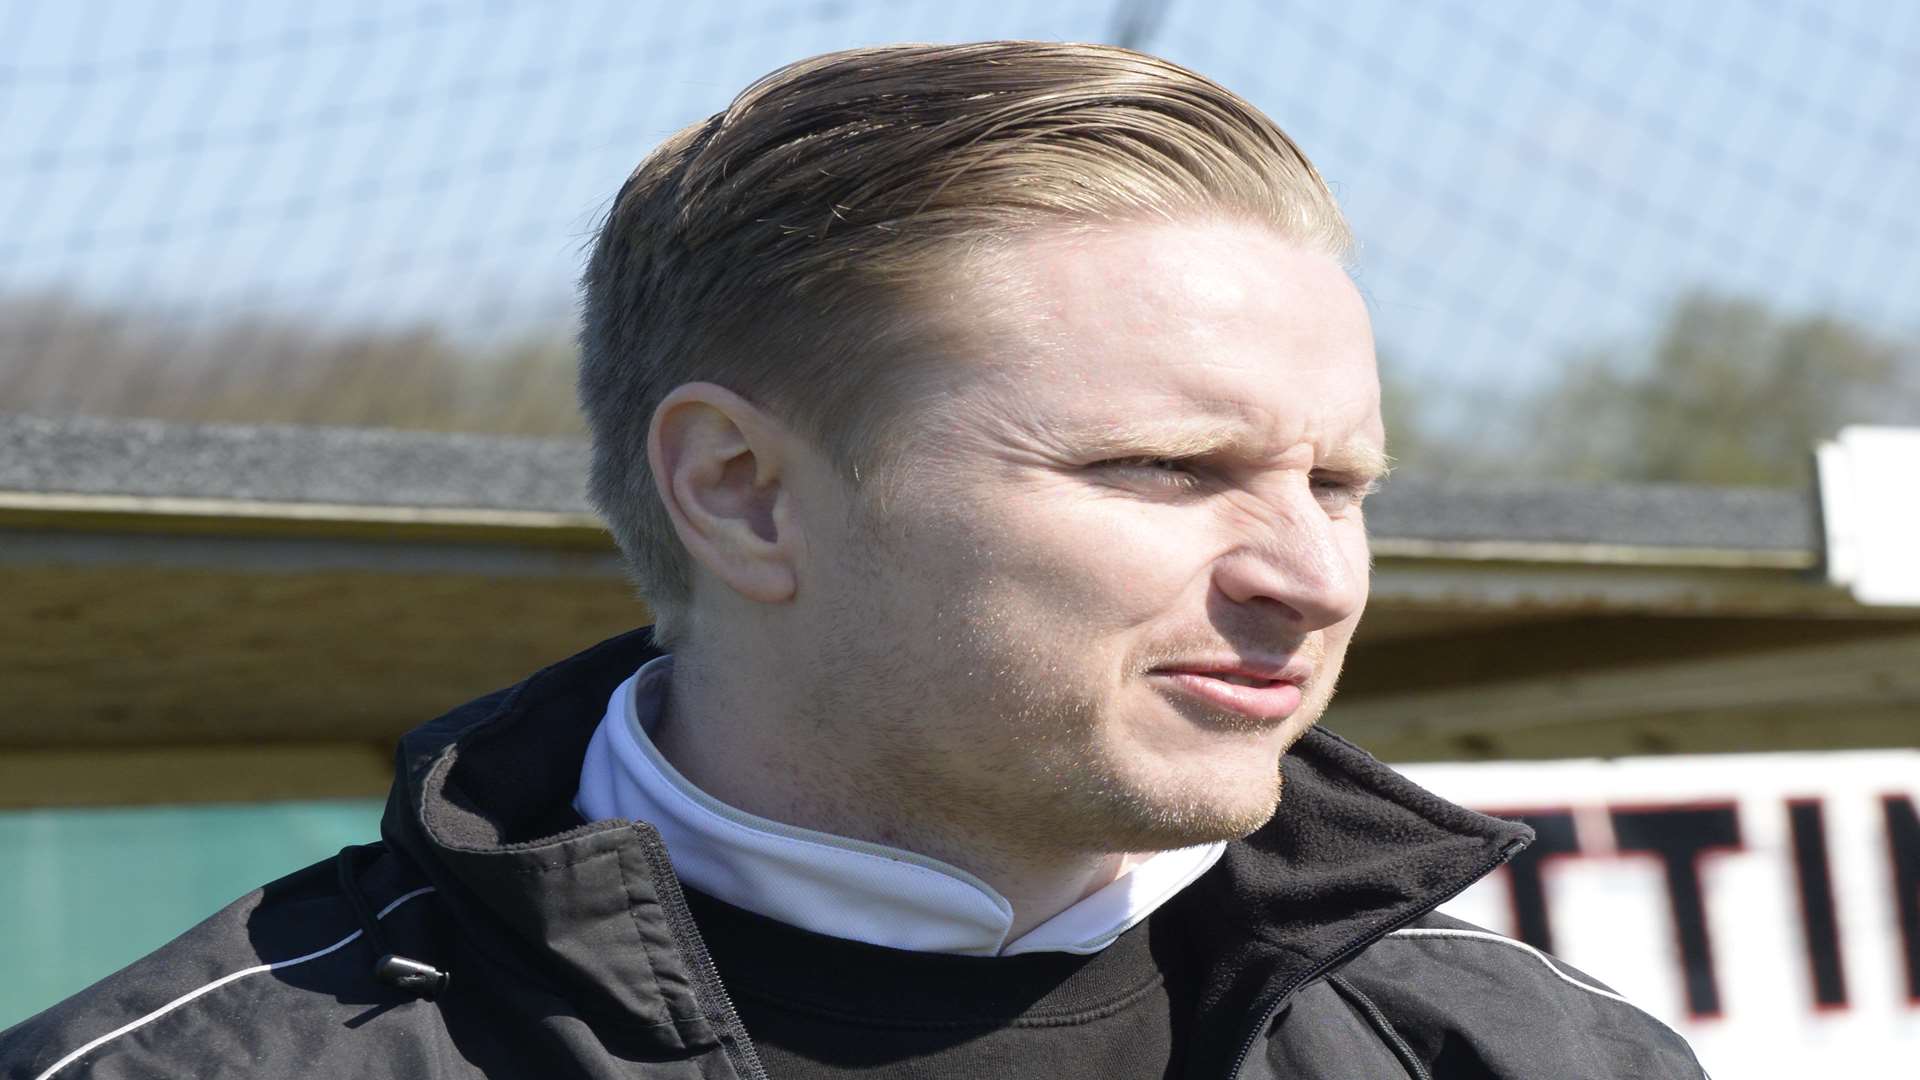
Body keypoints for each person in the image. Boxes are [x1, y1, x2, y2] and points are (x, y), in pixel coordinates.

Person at [2, 42, 1705, 1080]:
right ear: (741, 493)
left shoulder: (1524, 1052)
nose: (1312, 577)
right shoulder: (217, 1066)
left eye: (1340, 483)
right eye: (1168, 470)